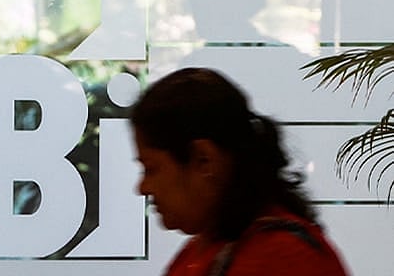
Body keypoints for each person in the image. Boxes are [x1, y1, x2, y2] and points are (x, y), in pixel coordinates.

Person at [130, 67, 348, 276]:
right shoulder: (206, 248)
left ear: (204, 160)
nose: (142, 187)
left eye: (151, 169)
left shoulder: (282, 258)